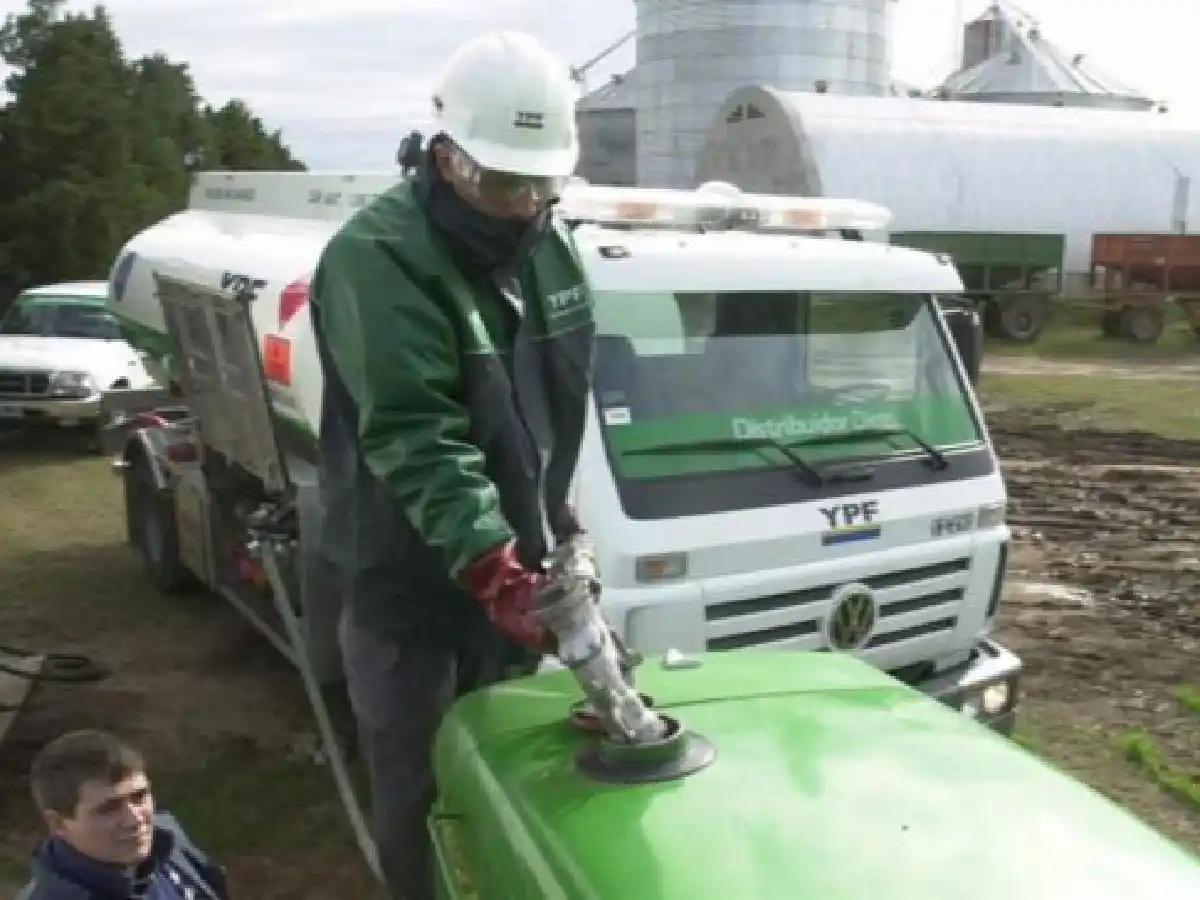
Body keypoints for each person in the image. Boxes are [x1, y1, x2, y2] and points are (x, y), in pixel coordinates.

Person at [307, 29, 595, 900]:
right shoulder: (378, 261)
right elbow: (416, 432)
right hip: (412, 590)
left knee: (506, 771)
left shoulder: (553, 247)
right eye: (502, 181)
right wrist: (492, 563)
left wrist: (560, 527)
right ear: (445, 155)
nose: (522, 203)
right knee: (424, 787)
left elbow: (555, 401)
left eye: (540, 182)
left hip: (510, 575)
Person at [17, 729, 229, 900]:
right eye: (109, 809)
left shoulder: (166, 838)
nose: (136, 819)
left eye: (139, 797)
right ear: (58, 824)